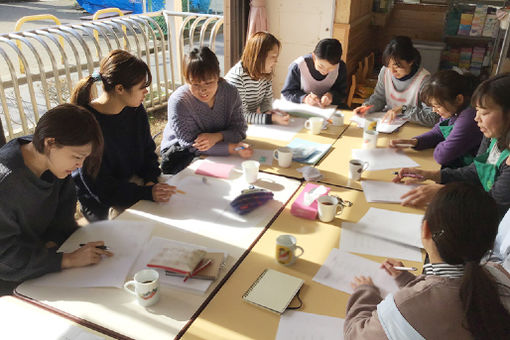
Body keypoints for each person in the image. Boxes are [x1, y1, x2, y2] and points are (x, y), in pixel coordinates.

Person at [344, 182, 510, 339]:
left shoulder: (406, 307)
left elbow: (355, 335)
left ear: (426, 230)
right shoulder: (498, 276)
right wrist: (407, 280)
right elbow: (447, 290)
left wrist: (365, 292)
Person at [0, 104, 112, 294]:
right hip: (11, 282)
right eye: (77, 157)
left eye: (84, 158)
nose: (79, 165)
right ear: (49, 143)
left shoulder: (54, 163)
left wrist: (55, 245)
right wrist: (66, 259)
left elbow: (63, 218)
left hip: (43, 263)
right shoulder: (7, 181)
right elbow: (5, 258)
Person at [70, 49, 174, 222]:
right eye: (142, 87)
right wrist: (146, 193)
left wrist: (150, 180)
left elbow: (148, 152)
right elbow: (101, 189)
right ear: (119, 89)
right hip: (103, 201)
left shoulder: (135, 109)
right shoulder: (86, 124)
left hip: (134, 184)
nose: (146, 92)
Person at [394, 74, 510, 216]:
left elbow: (494, 209)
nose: (476, 118)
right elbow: (475, 172)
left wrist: (446, 193)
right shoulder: (493, 137)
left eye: (484, 112)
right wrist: (431, 175)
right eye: (477, 110)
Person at [161, 47, 252, 174]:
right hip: (181, 153)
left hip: (218, 149)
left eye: (209, 83)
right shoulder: (179, 101)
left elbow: (240, 130)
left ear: (217, 76)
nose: (203, 90)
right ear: (187, 80)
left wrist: (217, 137)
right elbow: (191, 146)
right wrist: (232, 148)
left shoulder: (230, 92)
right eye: (196, 84)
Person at [390, 70, 482, 168]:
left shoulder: (469, 117)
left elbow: (442, 156)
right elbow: (438, 132)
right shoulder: (454, 110)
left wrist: (445, 143)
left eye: (437, 106)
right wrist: (415, 141)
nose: (434, 110)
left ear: (459, 99)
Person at [354, 36, 439, 127]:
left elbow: (432, 118)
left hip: (412, 126)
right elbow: (379, 98)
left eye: (397, 67)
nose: (392, 72)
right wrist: (367, 107)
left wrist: (404, 109)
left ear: (410, 61)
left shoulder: (424, 80)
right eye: (389, 66)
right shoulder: (385, 71)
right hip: (389, 124)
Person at [225, 32, 289, 125]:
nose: (276, 61)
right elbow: (242, 116)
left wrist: (269, 112)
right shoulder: (237, 79)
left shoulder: (265, 73)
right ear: (259, 56)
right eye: (273, 57)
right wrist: (271, 118)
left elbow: (266, 100)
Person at [281, 38, 349, 109]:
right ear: (314, 56)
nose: (325, 71)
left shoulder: (340, 67)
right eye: (321, 66)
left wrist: (331, 96)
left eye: (330, 68)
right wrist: (305, 98)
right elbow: (287, 92)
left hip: (327, 109)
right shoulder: (298, 66)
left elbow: (342, 92)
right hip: (303, 108)